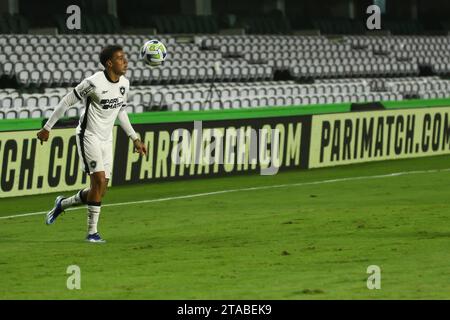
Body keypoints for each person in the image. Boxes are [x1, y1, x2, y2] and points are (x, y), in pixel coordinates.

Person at [36, 45, 147, 243]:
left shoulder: (125, 83)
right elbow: (67, 101)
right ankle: (92, 233)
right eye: (121, 58)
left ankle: (62, 204)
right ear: (109, 63)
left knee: (101, 189)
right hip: (88, 135)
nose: (126, 61)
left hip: (106, 138)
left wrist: (135, 138)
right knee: (97, 181)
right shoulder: (93, 83)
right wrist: (47, 127)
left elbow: (121, 111)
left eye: (125, 57)